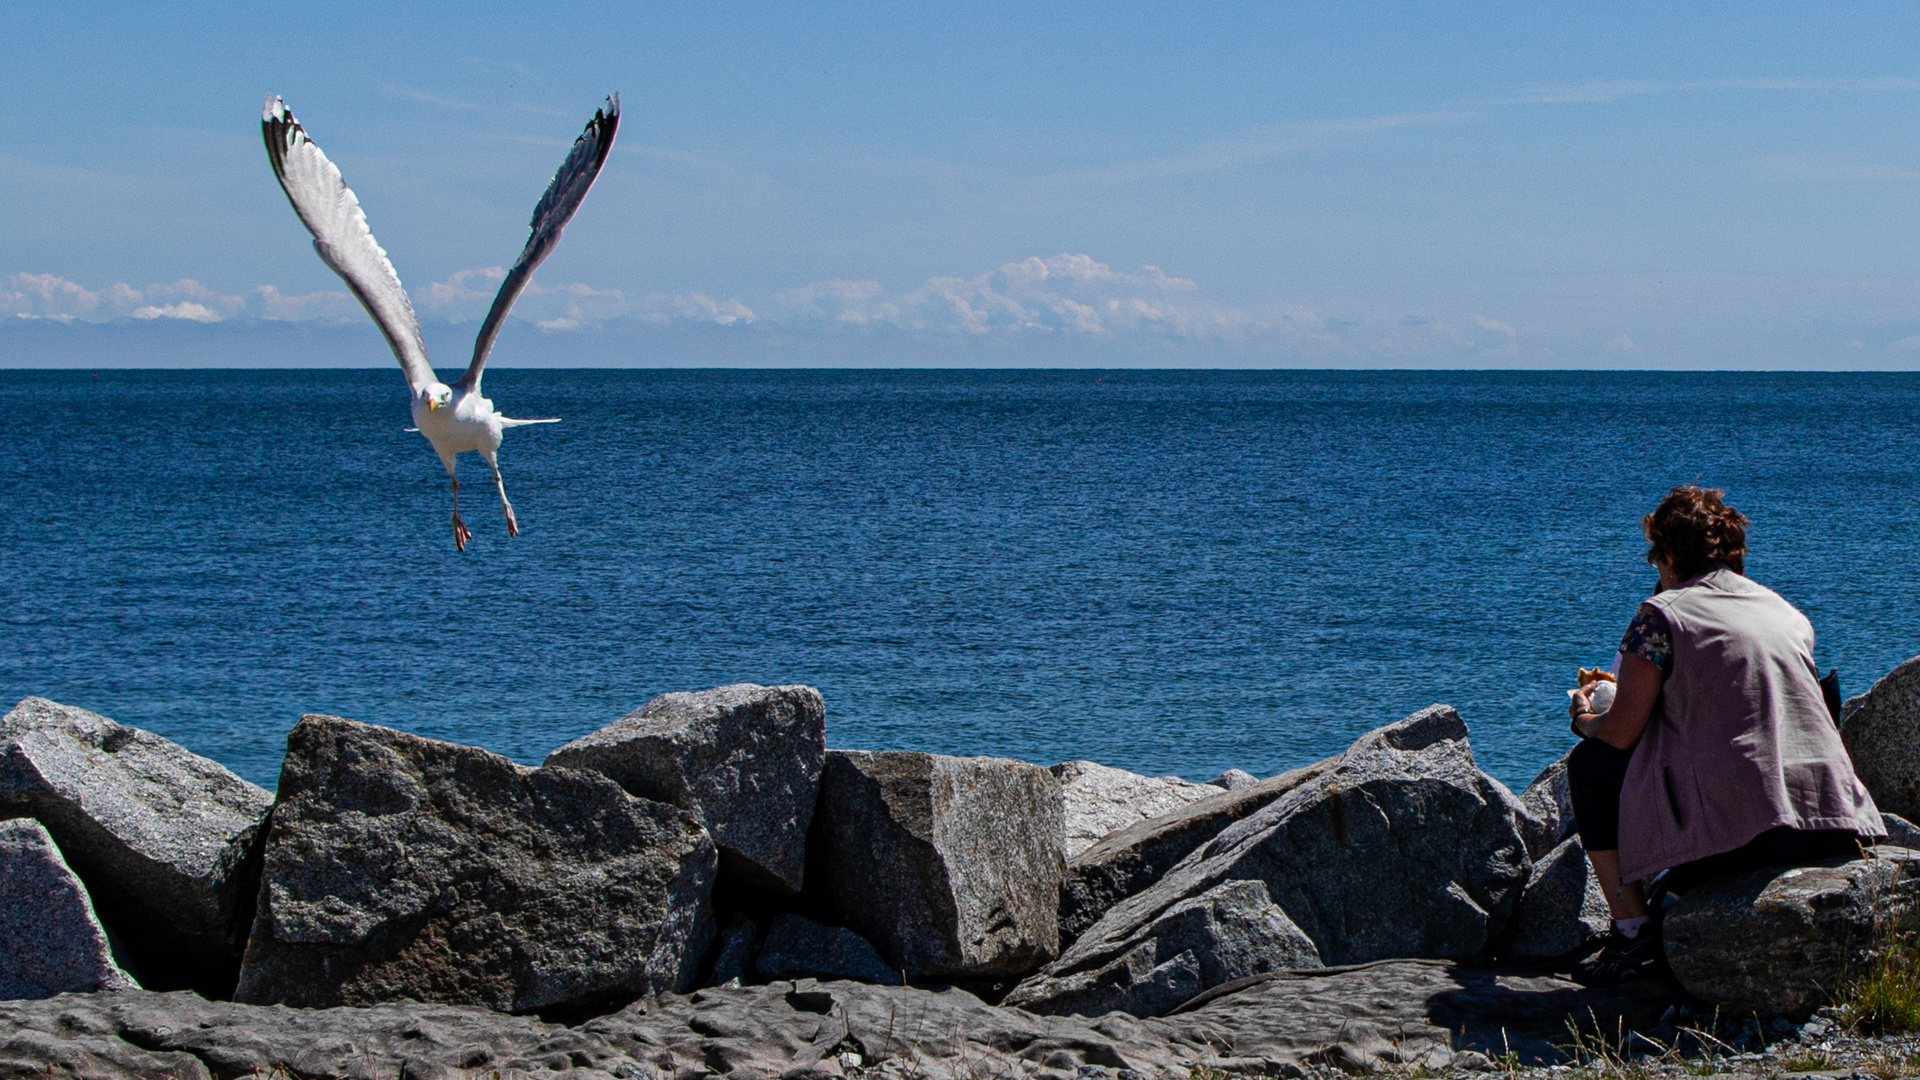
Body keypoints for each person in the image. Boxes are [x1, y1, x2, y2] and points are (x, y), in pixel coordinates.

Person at [1563, 485, 1884, 985]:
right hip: (1835, 823)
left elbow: (1623, 731)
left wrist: (1583, 718)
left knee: (1588, 766)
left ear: (1666, 556)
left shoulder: (1660, 616)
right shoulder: (1785, 612)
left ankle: (1630, 933)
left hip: (1749, 837)